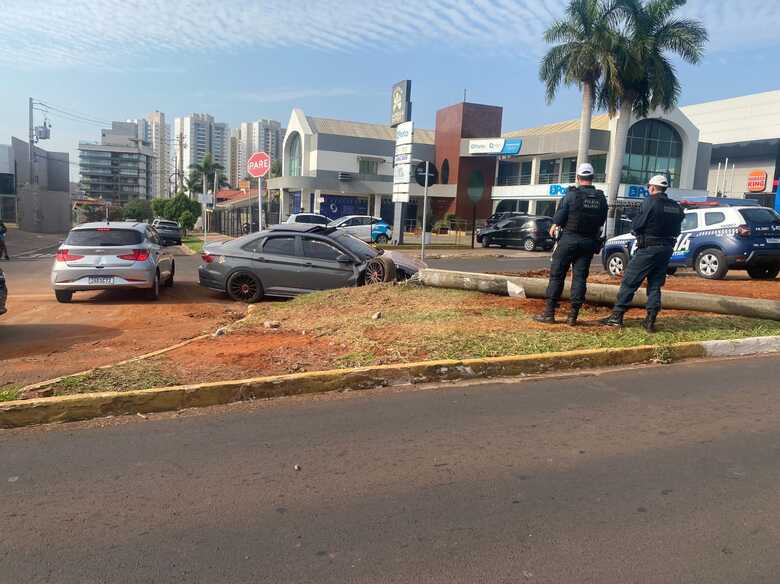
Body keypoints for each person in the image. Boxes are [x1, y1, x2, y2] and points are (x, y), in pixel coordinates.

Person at [601, 175, 685, 332]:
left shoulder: (650, 202)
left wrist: (635, 218)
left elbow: (638, 226)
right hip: (666, 249)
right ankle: (650, 320)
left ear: (652, 187)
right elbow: (677, 227)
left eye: (648, 187)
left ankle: (616, 316)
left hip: (648, 249)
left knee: (629, 281)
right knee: (655, 284)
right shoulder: (675, 206)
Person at [534, 163, 608, 325]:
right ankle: (573, 316)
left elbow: (559, 218)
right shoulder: (601, 198)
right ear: (592, 178)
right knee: (580, 278)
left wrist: (554, 226)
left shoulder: (571, 195)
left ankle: (549, 313)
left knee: (557, 275)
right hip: (588, 242)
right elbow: (602, 220)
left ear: (578, 178)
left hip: (569, 239)